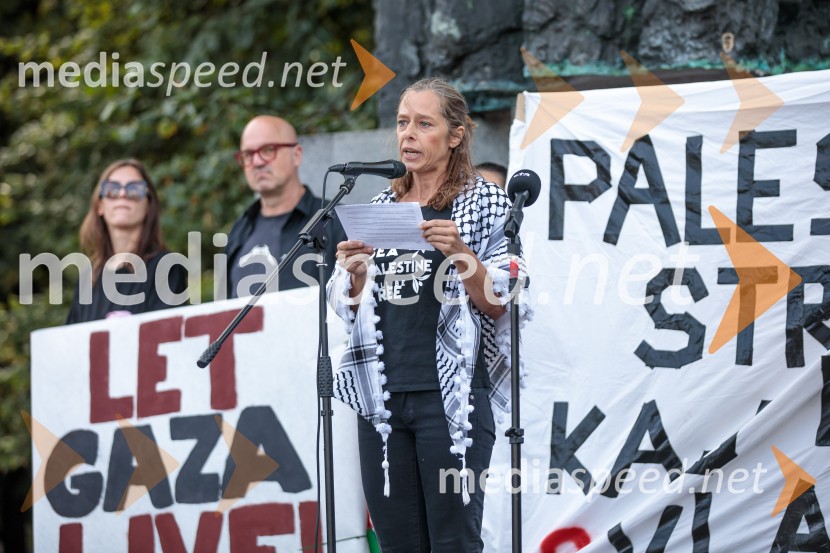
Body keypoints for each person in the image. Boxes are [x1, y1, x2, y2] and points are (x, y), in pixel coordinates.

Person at [328, 77, 530, 552]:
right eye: (402, 123)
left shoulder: (485, 202)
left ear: (455, 135)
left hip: (452, 397)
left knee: (453, 541)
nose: (408, 135)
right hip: (382, 400)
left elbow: (502, 300)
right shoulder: (380, 207)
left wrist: (460, 251)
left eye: (424, 123)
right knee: (399, 543)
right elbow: (350, 306)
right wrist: (355, 276)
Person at [222, 115, 343, 299]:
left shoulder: (335, 220)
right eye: (248, 154)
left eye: (268, 150)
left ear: (297, 155)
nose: (257, 162)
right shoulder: (239, 230)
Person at [66, 159, 188, 324]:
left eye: (134, 189)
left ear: (148, 205)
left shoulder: (167, 268)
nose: (122, 194)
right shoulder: (89, 278)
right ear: (100, 206)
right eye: (112, 189)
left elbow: (167, 339)